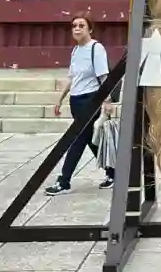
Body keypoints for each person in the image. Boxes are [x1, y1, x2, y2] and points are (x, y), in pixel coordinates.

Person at [44, 16, 116, 195]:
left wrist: (107, 101)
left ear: (90, 29)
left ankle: (64, 181)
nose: (77, 28)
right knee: (90, 138)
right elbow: (72, 77)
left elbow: (104, 76)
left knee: (77, 138)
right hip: (75, 100)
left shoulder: (96, 48)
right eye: (74, 25)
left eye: (81, 25)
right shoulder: (76, 50)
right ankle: (114, 173)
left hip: (90, 99)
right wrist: (60, 99)